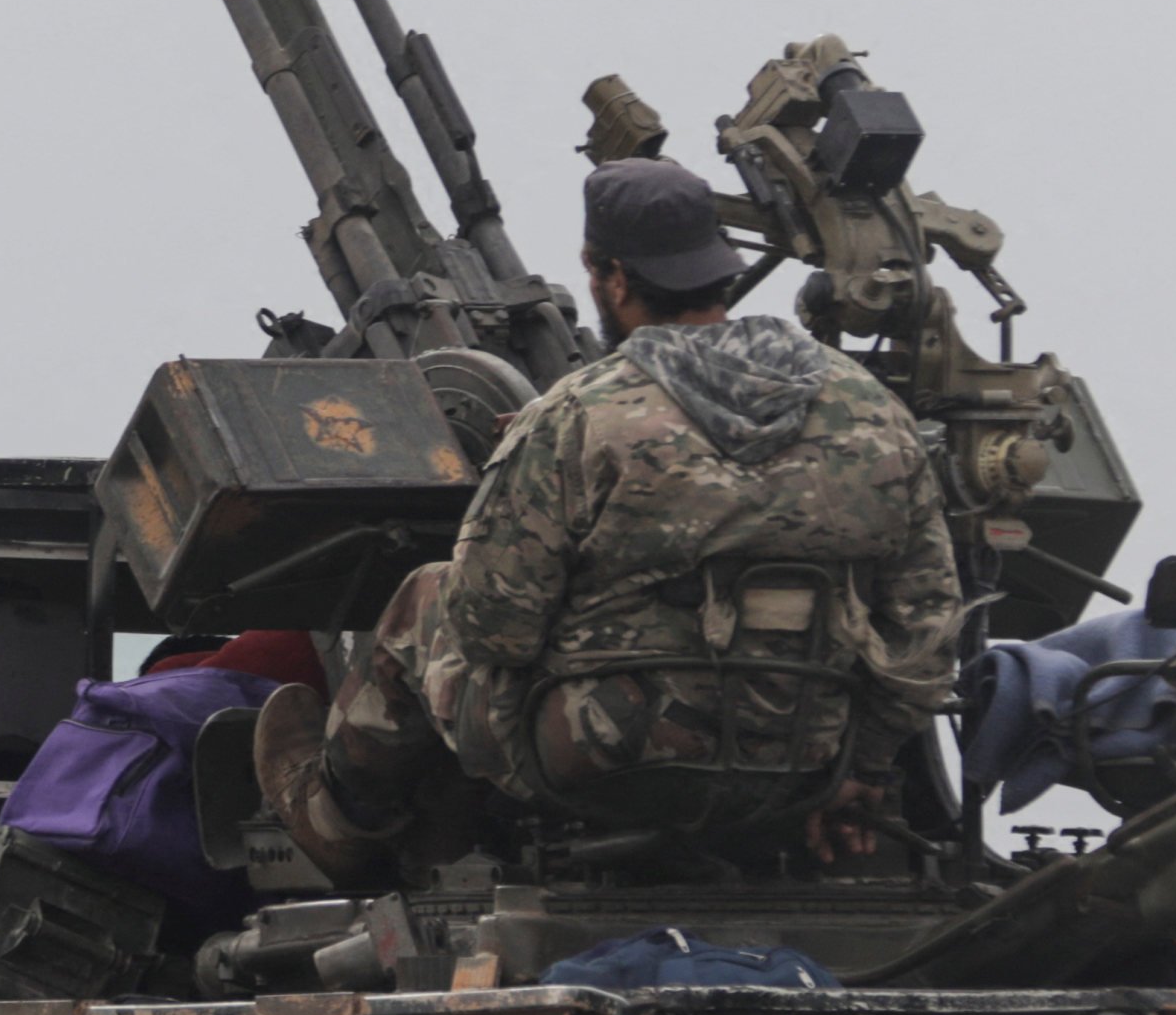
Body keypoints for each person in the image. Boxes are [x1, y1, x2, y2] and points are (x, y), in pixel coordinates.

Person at [253, 155, 964, 879]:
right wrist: (861, 770)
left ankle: (339, 817)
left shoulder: (578, 415)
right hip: (802, 758)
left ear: (614, 278)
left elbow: (489, 624)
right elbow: (929, 621)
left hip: (599, 758)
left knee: (421, 600)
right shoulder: (874, 412)